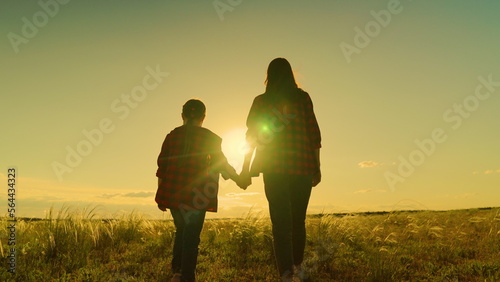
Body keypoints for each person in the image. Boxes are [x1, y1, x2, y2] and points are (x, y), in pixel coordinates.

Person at [240, 58, 322, 281]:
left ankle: (286, 273)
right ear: (290, 75)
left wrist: (246, 168)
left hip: (274, 167)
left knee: (281, 222)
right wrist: (317, 166)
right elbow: (314, 134)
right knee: (298, 221)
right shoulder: (302, 98)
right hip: (303, 166)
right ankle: (296, 267)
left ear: (269, 76)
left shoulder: (261, 101)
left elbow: (252, 137)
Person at [155, 99, 244, 282]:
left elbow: (161, 168)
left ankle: (177, 272)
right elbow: (222, 165)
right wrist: (239, 179)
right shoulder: (210, 137)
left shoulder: (171, 136)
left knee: (181, 230)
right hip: (198, 194)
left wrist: (161, 195)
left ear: (183, 116)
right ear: (204, 117)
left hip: (173, 193)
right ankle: (187, 276)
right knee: (191, 235)